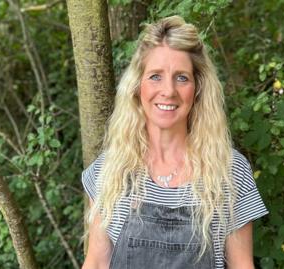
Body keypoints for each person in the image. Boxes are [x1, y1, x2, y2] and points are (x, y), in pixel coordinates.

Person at [81, 15, 268, 269]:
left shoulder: (229, 171)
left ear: (198, 88)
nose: (168, 90)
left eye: (182, 77)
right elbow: (96, 264)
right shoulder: (108, 172)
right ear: (137, 87)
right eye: (155, 76)